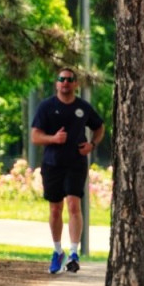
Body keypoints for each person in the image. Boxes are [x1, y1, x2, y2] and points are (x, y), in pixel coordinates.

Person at [31, 68, 105, 274]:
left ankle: (74, 253)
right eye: (61, 79)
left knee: (74, 204)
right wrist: (53, 139)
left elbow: (99, 127)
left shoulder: (83, 107)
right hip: (52, 164)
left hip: (76, 163)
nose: (65, 83)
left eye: (69, 80)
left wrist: (93, 144)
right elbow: (35, 137)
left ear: (75, 84)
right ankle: (57, 251)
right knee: (55, 209)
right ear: (56, 84)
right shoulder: (46, 107)